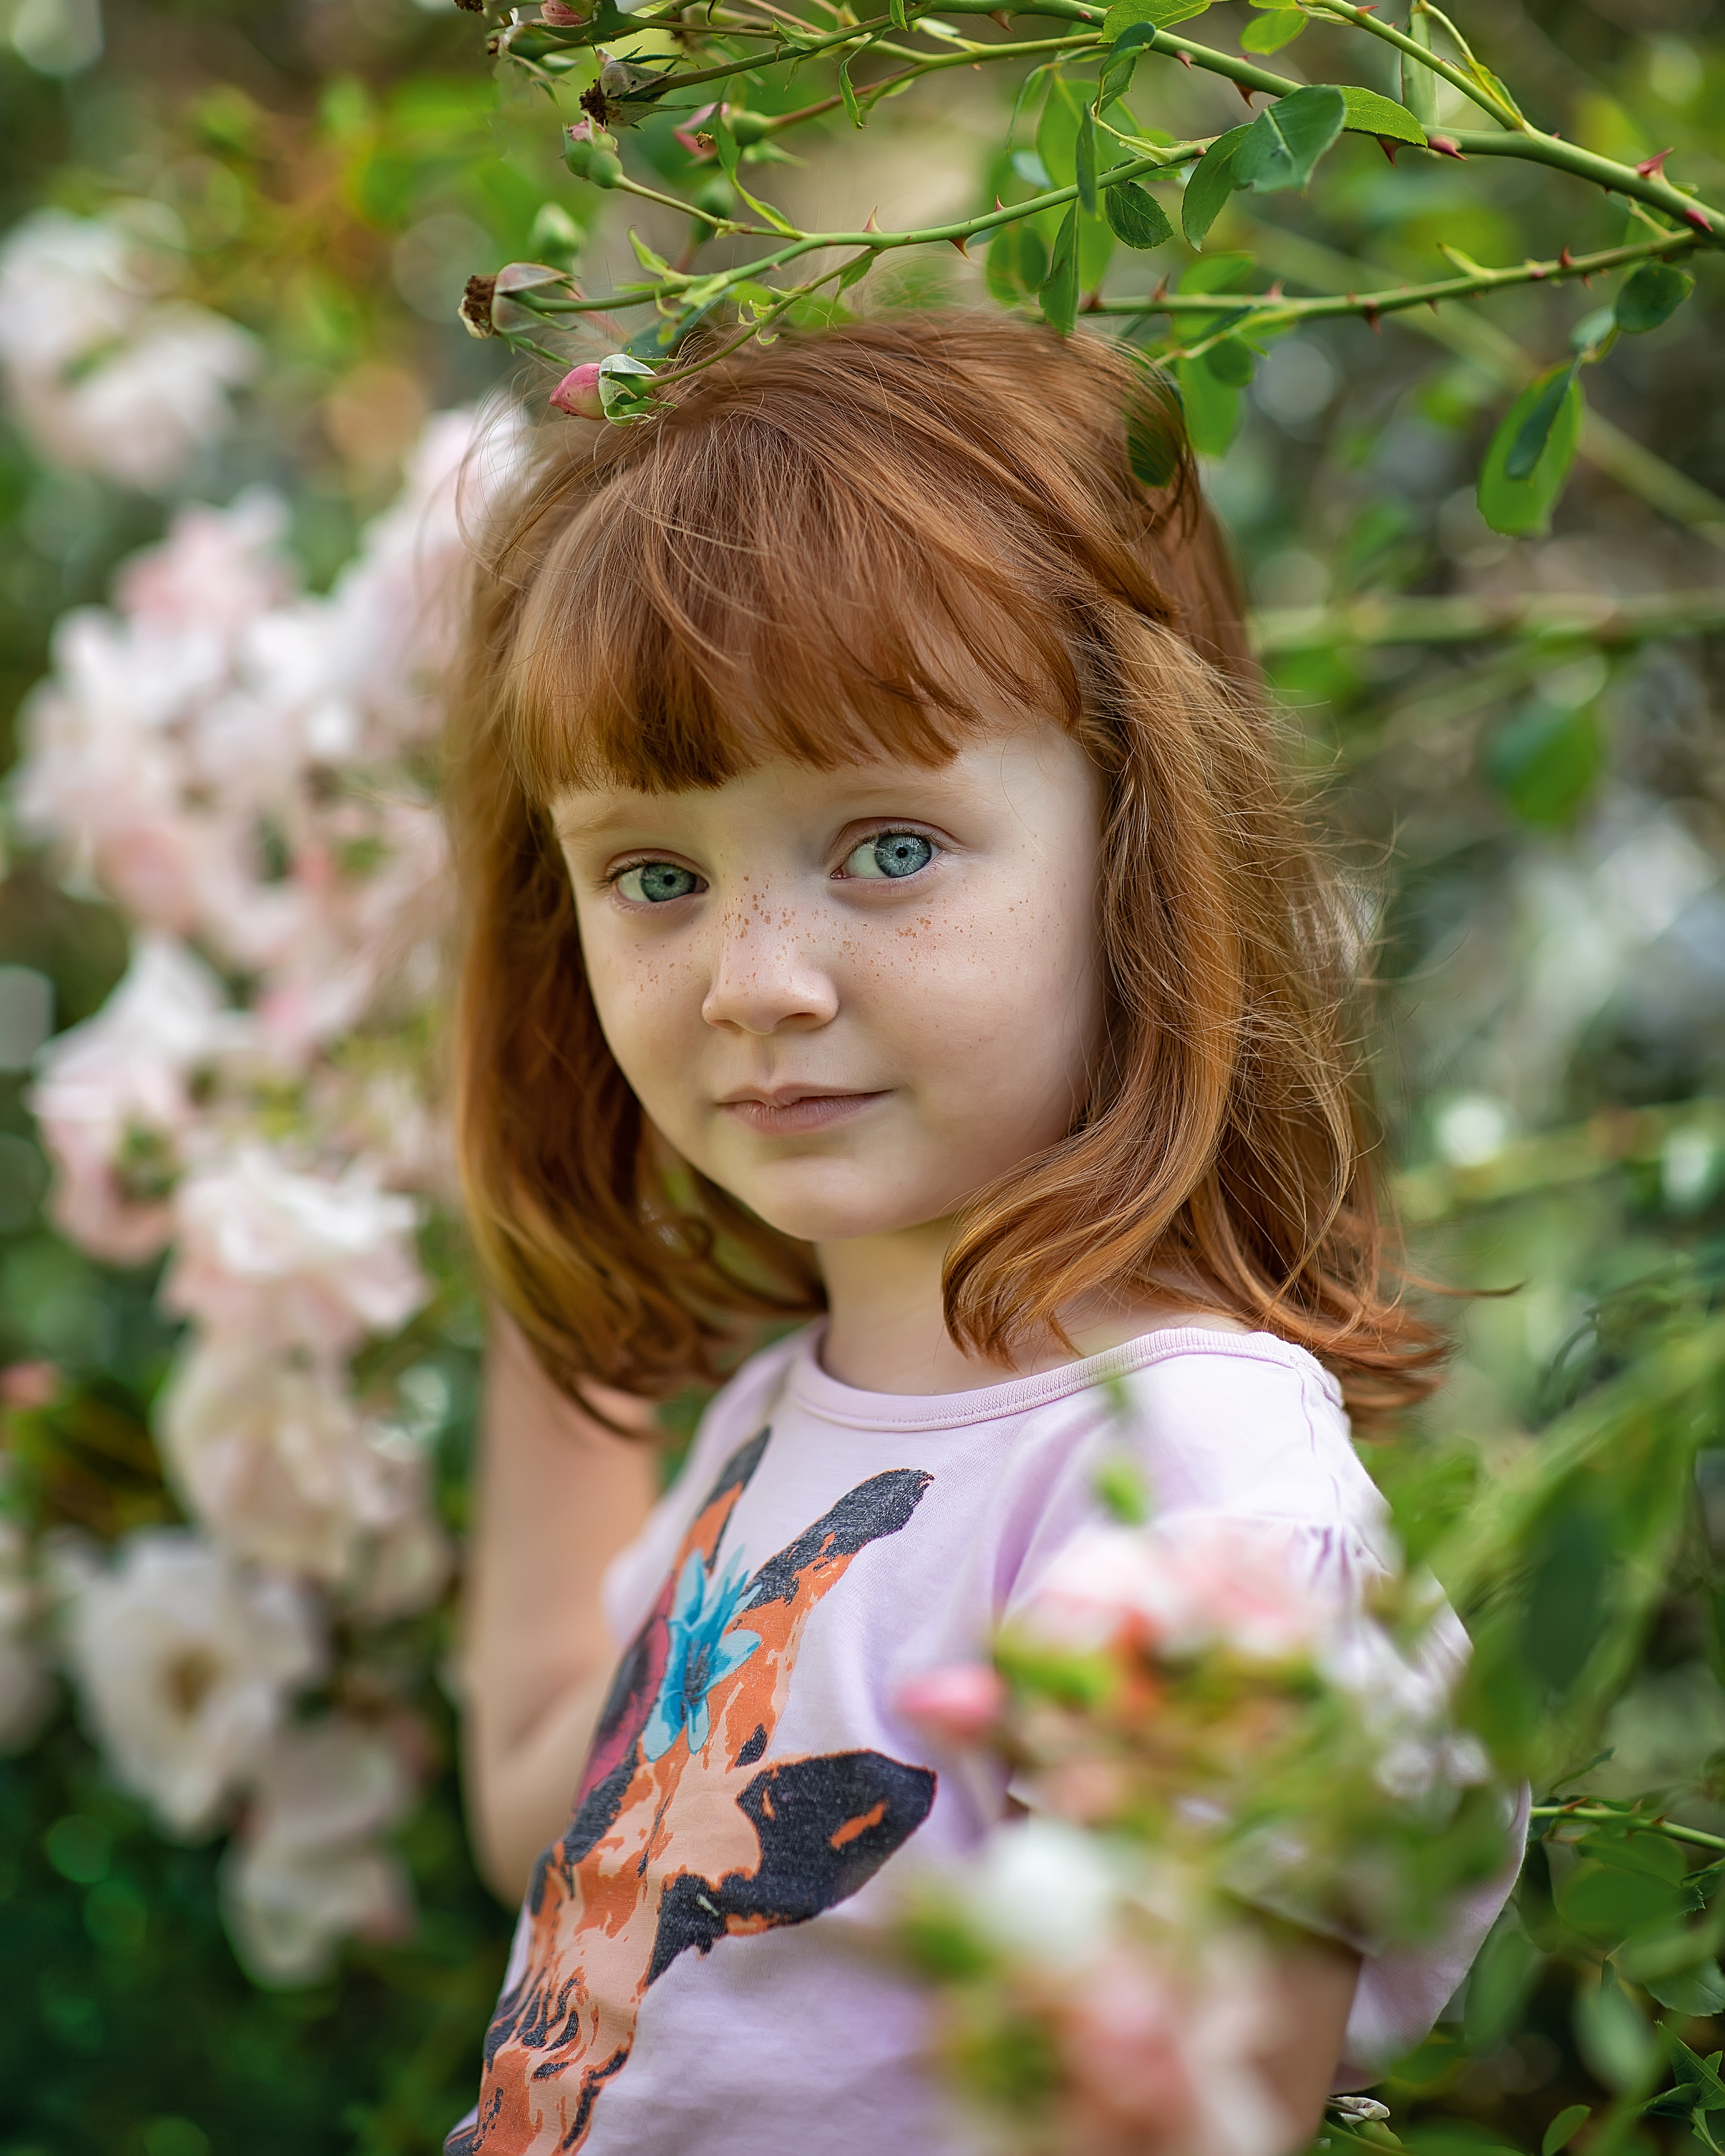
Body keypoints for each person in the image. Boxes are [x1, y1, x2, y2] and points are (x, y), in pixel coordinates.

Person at [442, 315, 1515, 2156]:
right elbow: (550, 1801)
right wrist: (561, 1218)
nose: (753, 986)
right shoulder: (791, 1412)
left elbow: (1192, 2113)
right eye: (655, 876)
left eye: (890, 847)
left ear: (1140, 851)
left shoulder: (1187, 1473)